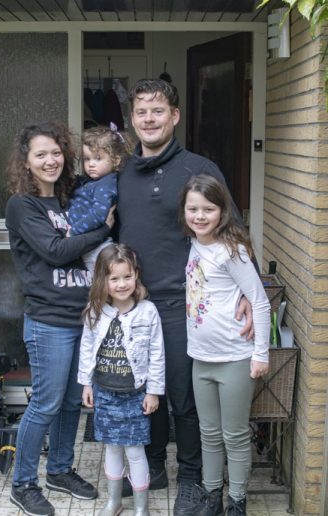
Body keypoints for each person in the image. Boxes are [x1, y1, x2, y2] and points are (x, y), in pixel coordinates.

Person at [117, 78, 254, 516]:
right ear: (133, 119)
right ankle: (155, 465)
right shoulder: (122, 171)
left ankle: (193, 480)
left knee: (183, 396)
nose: (149, 119)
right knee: (145, 387)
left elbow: (232, 230)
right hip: (135, 303)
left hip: (183, 304)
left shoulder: (199, 169)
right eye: (141, 112)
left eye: (158, 111)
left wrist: (251, 293)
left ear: (174, 116)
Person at [5, 121, 114, 516]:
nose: (51, 161)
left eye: (56, 152)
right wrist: (103, 229)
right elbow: (54, 250)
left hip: (82, 317)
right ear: (26, 162)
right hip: (48, 320)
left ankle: (60, 470)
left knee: (72, 402)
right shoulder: (23, 206)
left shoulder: (73, 198)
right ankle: (23, 483)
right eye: (41, 154)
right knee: (46, 404)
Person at [180, 174, 270, 515]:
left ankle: (237, 501)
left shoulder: (232, 251)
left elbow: (259, 301)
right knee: (208, 433)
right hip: (201, 357)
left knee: (234, 434)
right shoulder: (193, 242)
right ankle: (212, 496)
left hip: (235, 357)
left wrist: (260, 353)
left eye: (208, 209)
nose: (200, 216)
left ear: (222, 211)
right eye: (193, 209)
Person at [78, 243, 165, 516]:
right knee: (112, 449)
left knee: (136, 451)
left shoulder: (148, 311)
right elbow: (86, 349)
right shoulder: (95, 311)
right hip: (105, 392)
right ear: (102, 280)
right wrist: (86, 383)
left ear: (136, 275)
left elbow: (157, 354)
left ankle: (141, 508)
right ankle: (114, 503)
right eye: (114, 278)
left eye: (127, 276)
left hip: (135, 393)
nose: (121, 284)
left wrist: (153, 392)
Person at [67, 123, 132, 273]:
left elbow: (98, 214)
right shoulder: (90, 181)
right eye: (87, 159)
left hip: (97, 249)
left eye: (97, 158)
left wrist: (73, 231)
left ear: (115, 160)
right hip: (86, 246)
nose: (91, 164)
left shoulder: (106, 184)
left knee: (99, 289)